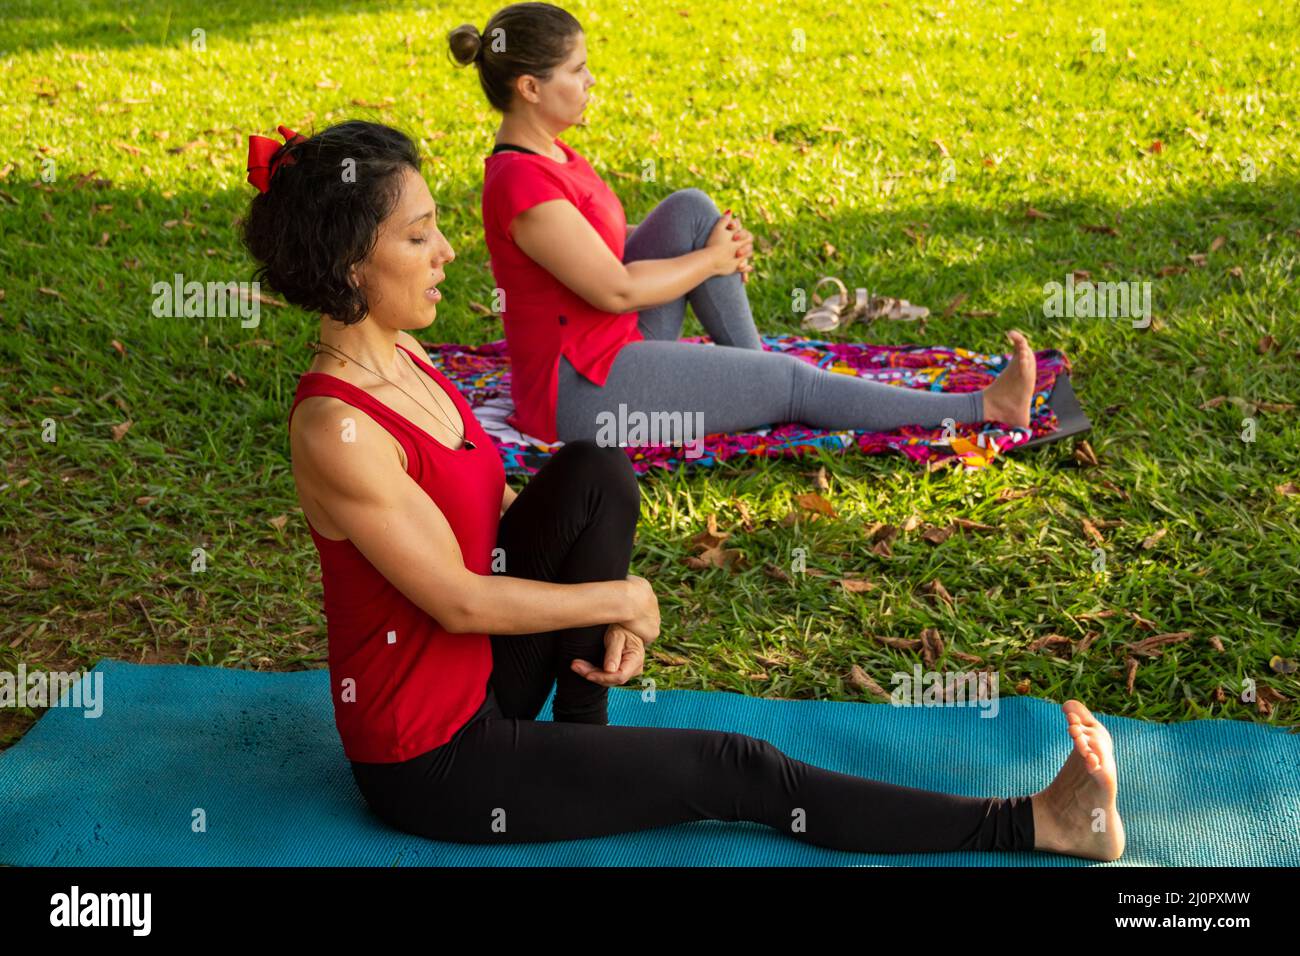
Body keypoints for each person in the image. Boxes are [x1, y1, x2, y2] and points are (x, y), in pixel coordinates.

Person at [244, 118, 1124, 859]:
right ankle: (1039, 823)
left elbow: (492, 514)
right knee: (733, 767)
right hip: (435, 755)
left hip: (482, 679)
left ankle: (578, 735)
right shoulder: (335, 427)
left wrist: (598, 603)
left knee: (595, 471)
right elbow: (462, 600)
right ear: (350, 263)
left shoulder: (408, 353)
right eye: (417, 235)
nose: (445, 251)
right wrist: (621, 595)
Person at [448, 2, 1041, 447]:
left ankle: (750, 375)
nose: (590, 81)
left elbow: (602, 254)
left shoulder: (551, 154)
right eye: (577, 70)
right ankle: (985, 408)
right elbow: (615, 288)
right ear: (530, 87)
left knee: (690, 209)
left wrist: (706, 246)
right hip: (580, 393)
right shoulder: (522, 184)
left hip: (610, 342)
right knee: (792, 380)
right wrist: (711, 262)